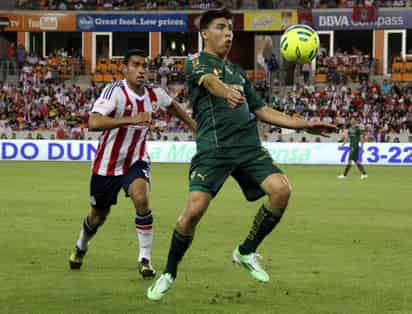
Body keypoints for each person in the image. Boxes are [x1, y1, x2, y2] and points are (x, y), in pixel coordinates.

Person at [147, 8, 337, 301]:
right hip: (214, 149)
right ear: (205, 34)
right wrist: (225, 92)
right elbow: (209, 82)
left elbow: (262, 110)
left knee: (281, 191)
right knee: (193, 213)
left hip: (248, 147)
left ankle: (246, 251)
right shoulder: (195, 62)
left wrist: (305, 124)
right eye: (221, 27)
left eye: (230, 29)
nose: (228, 34)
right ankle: (169, 273)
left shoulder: (237, 72)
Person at [68, 49, 196, 279]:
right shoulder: (114, 92)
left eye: (144, 66)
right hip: (106, 165)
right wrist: (130, 119)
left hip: (136, 160)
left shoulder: (153, 92)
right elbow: (93, 122)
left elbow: (173, 106)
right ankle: (81, 246)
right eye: (136, 65)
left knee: (141, 198)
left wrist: (195, 126)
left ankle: (144, 258)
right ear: (124, 69)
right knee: (98, 215)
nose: (141, 70)